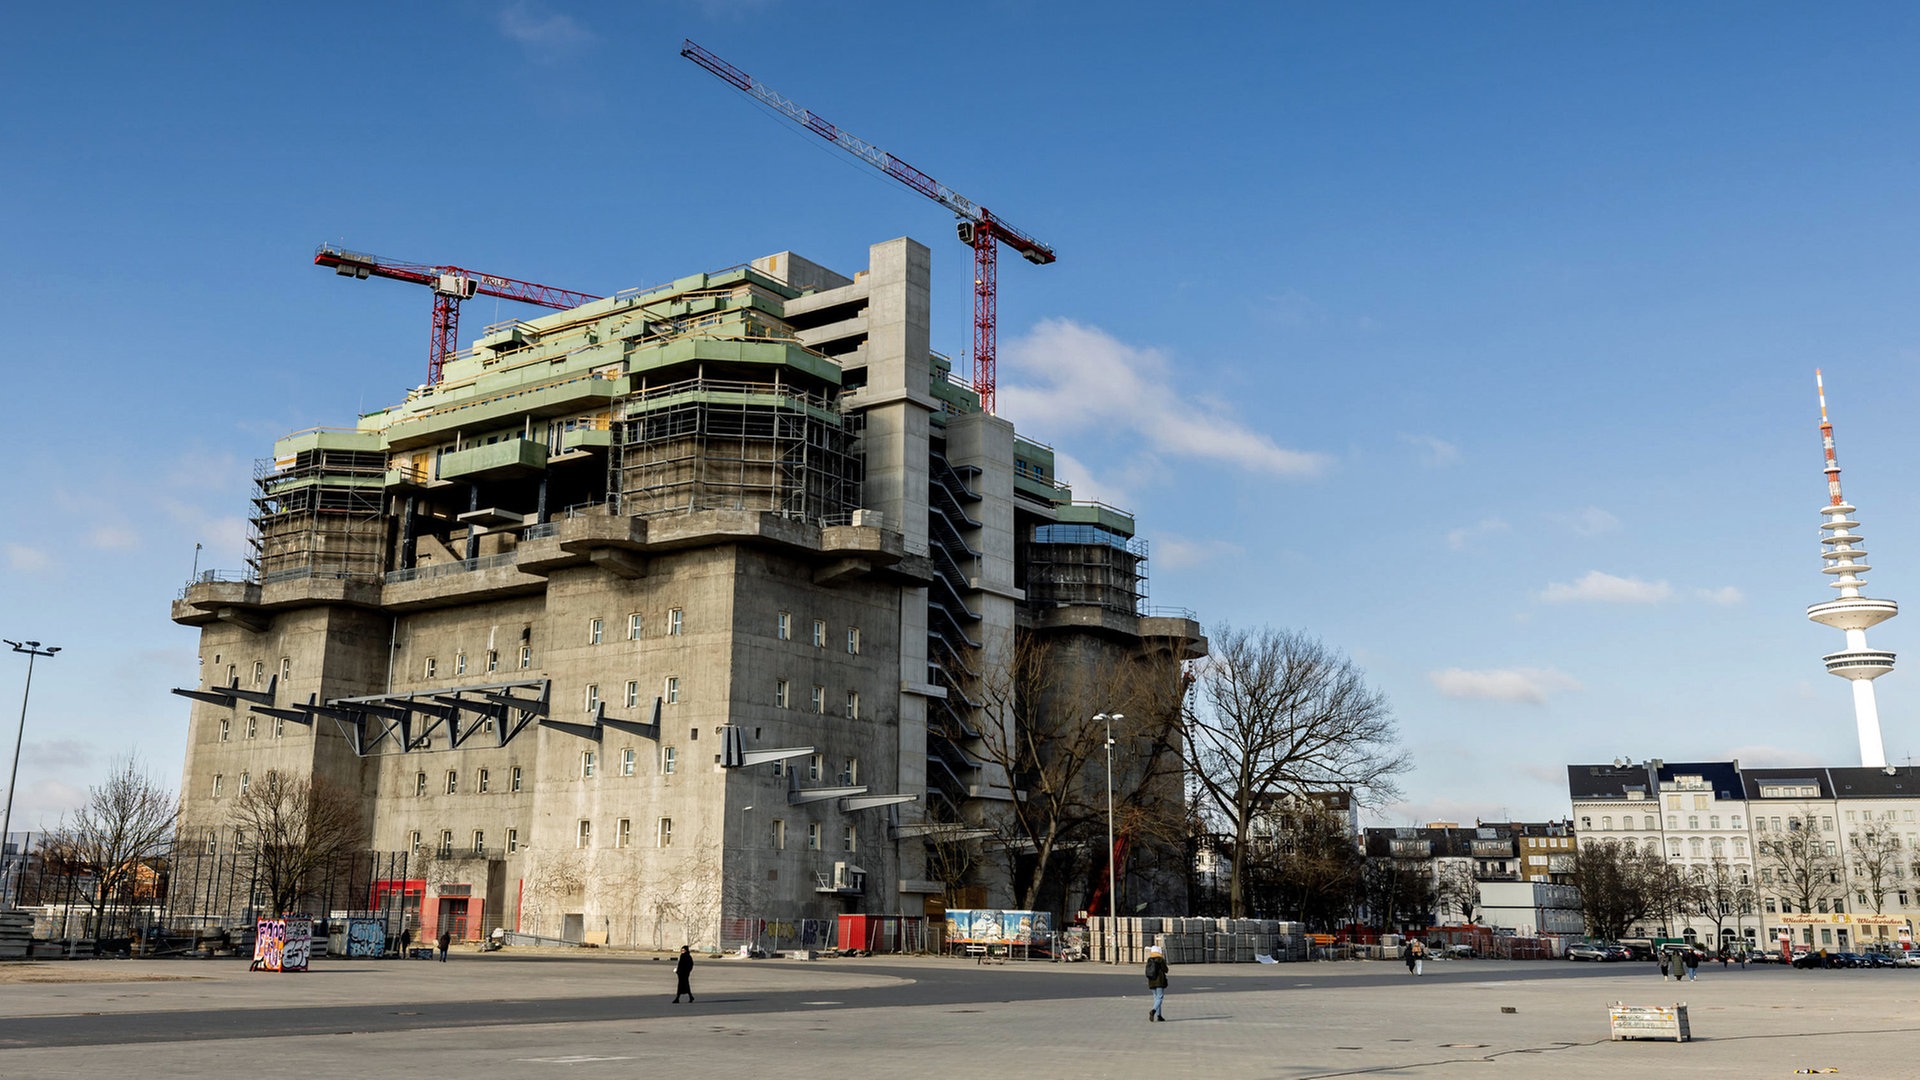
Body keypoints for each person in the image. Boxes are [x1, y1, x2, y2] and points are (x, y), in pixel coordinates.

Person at [1144, 944, 1169, 1022]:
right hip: (1159, 981)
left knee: (1156, 998)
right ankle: (1153, 1011)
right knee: (1160, 997)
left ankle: (1159, 1016)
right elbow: (1166, 970)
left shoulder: (1149, 960)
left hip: (1151, 981)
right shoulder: (1160, 959)